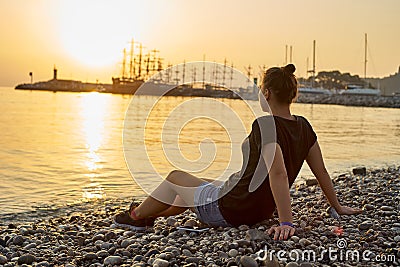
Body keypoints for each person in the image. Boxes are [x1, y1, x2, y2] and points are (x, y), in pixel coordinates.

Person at [114, 63, 361, 241]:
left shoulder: (265, 125)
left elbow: (279, 174)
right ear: (293, 94)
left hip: (233, 209)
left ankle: (135, 216)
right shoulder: (304, 126)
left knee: (175, 177)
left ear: (266, 94)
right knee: (201, 185)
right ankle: (151, 216)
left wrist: (286, 223)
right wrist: (337, 206)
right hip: (257, 208)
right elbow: (321, 173)